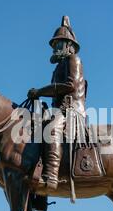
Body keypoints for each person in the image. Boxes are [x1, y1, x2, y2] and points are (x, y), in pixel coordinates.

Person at [28, 16, 87, 191]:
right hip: (59, 109)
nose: (55, 47)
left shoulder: (73, 60)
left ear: (69, 46)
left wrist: (40, 91)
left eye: (58, 44)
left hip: (72, 111)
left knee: (52, 127)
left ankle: (51, 176)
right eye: (54, 45)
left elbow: (70, 86)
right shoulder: (58, 67)